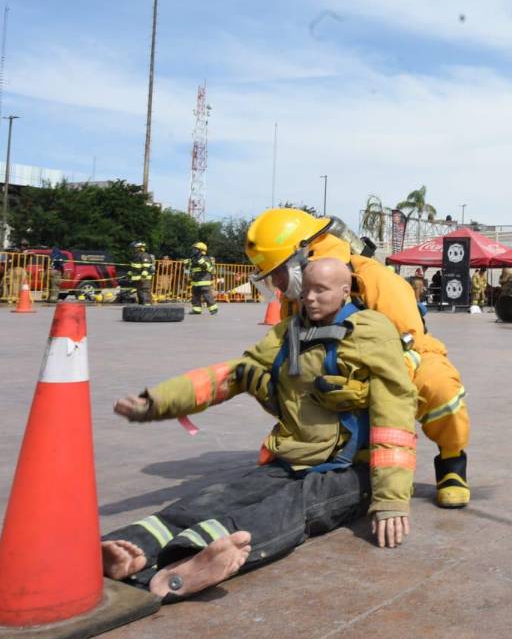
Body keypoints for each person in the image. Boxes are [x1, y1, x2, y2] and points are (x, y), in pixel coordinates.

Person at [105, 258, 417, 600]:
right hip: (290, 458)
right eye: (306, 290)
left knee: (289, 507)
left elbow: (395, 415)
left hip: (351, 470)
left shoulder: (371, 332)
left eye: (321, 290)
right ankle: (132, 544)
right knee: (222, 495)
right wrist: (158, 401)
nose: (310, 298)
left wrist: (391, 501)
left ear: (345, 291)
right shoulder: (288, 333)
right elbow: (234, 374)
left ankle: (192, 559)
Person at [245, 209, 471, 509]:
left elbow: (410, 345)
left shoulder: (375, 279)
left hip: (398, 360)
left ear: (303, 255)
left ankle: (452, 463)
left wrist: (368, 387)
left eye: (278, 272)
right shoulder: (295, 300)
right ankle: (348, 449)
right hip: (338, 373)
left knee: (438, 384)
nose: (276, 282)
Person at [187, 242, 218, 315]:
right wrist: (187, 264)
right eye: (193, 249)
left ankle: (213, 309)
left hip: (204, 281)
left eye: (195, 249)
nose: (193, 251)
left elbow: (211, 269)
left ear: (201, 250)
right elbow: (192, 269)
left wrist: (203, 264)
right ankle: (196, 310)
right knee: (195, 296)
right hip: (195, 281)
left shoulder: (206, 258)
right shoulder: (193, 259)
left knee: (207, 296)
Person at [130, 241, 156, 305]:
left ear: (140, 248)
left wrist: (143, 277)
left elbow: (146, 267)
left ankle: (147, 305)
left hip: (144, 278)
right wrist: (129, 274)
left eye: (135, 248)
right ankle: (141, 305)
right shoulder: (135, 256)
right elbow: (134, 267)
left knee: (145, 290)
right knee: (139, 291)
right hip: (138, 277)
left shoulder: (144, 255)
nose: (133, 250)